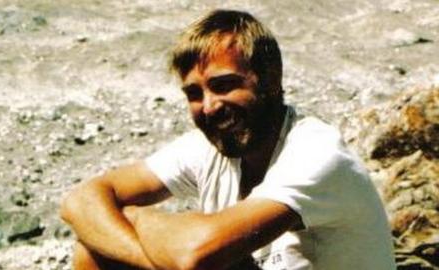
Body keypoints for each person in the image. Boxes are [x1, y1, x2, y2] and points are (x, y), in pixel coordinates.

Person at [60, 9, 396, 270]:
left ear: (270, 80)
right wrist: (149, 255)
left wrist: (138, 217)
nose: (209, 107)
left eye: (224, 85)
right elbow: (81, 200)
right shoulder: (210, 146)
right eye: (194, 93)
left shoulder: (316, 153)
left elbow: (195, 254)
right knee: (94, 249)